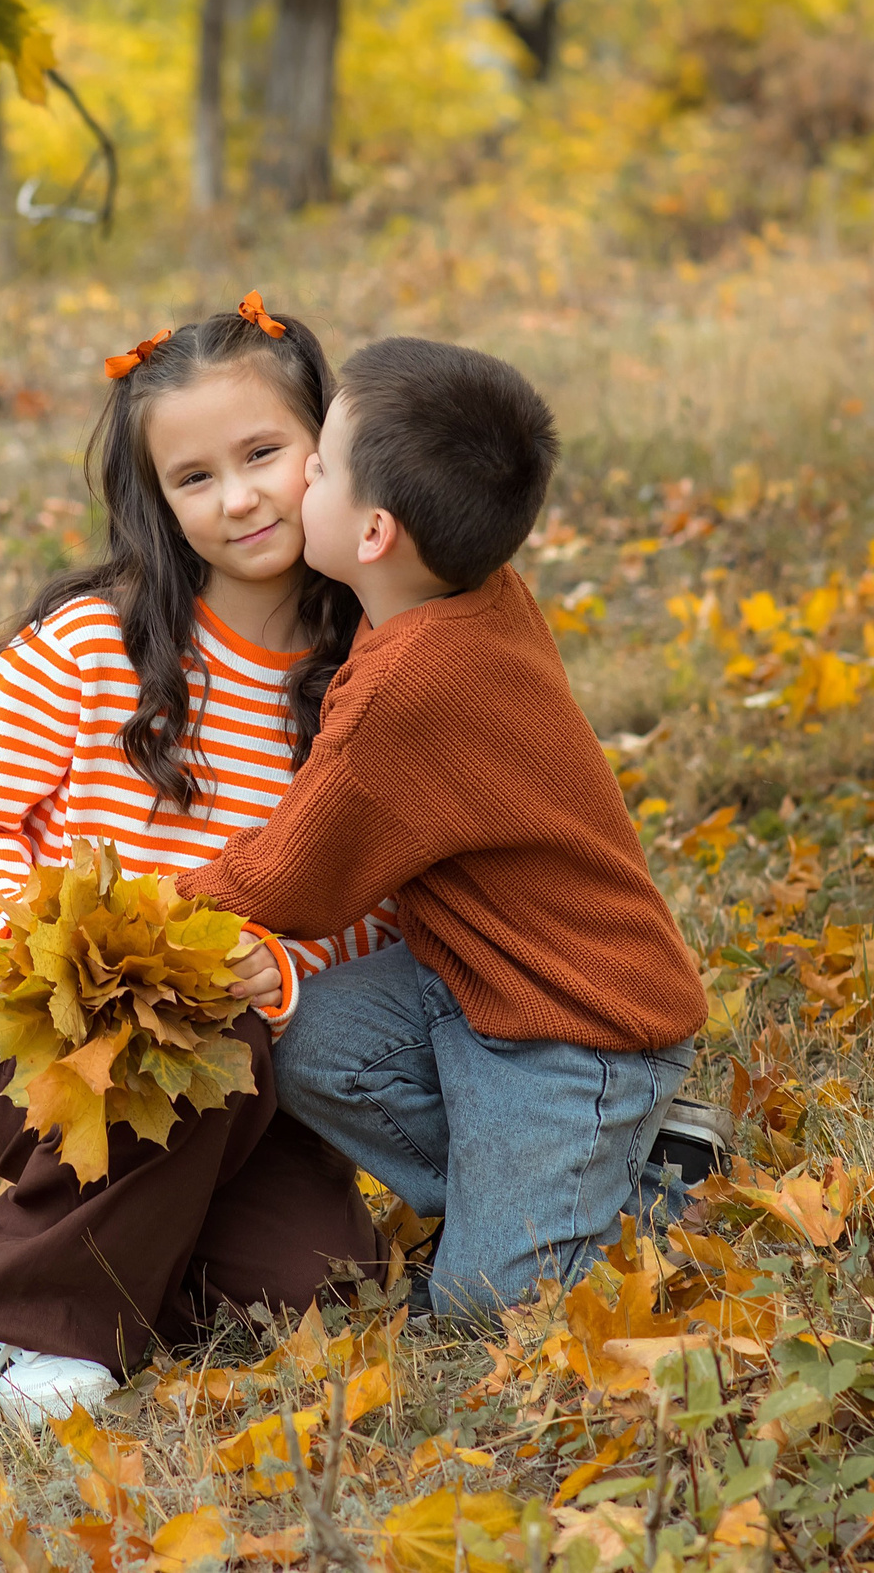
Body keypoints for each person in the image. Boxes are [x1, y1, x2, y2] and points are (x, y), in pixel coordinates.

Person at [0, 295, 397, 1425]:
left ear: (329, 450)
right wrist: (54, 949)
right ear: (157, 500)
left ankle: (140, 1246)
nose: (236, 499)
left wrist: (278, 974)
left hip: (238, 1061)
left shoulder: (367, 674)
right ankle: (25, 1314)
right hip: (29, 1034)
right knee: (175, 1048)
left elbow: (375, 904)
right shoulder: (90, 647)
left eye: (265, 454)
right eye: (193, 479)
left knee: (318, 1290)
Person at [175, 336, 708, 1319]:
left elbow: (288, 880)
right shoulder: (472, 586)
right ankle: (529, 1189)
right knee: (310, 1042)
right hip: (465, 977)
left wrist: (151, 918)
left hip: (575, 1026)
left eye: (319, 464)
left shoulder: (407, 690)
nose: (298, 477)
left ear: (373, 534)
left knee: (485, 1306)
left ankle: (642, 1173)